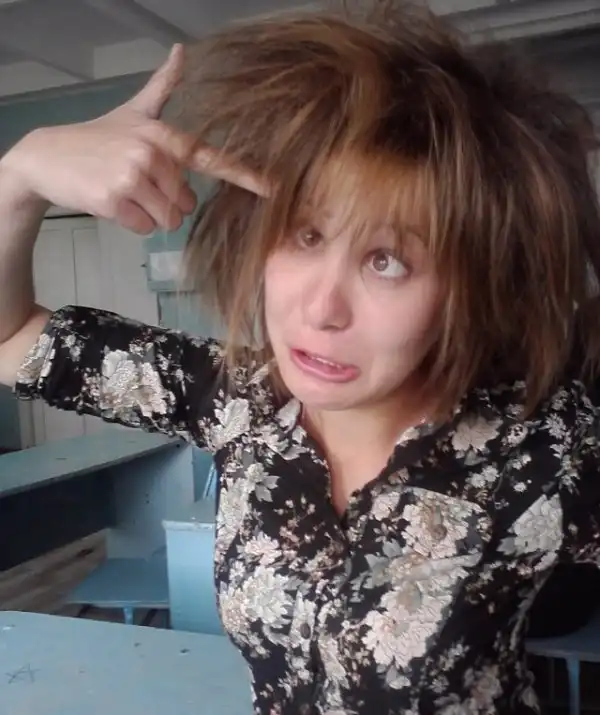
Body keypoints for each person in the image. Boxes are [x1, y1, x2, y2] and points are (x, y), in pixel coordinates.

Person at [1, 1, 600, 713]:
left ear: (471, 287)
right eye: (306, 236)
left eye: (386, 260)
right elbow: (11, 340)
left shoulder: (544, 446)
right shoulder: (237, 398)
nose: (321, 310)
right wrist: (18, 177)